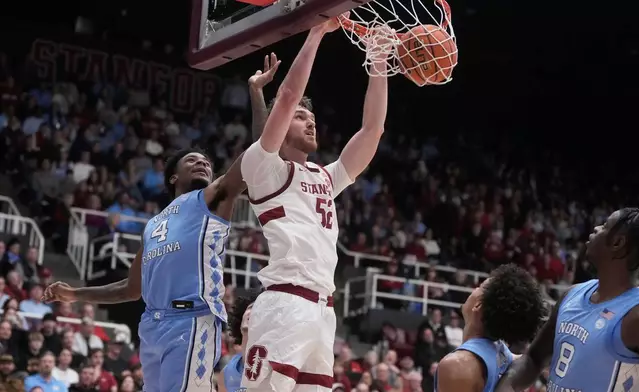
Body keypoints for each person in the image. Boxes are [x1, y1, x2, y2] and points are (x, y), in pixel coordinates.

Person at [42, 56, 281, 392]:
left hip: (192, 320)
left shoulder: (211, 198)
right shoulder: (154, 224)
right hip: (153, 325)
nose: (202, 162)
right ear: (173, 176)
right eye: (192, 160)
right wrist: (75, 294)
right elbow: (130, 289)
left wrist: (256, 92)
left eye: (206, 162)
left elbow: (260, 154)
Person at [239, 18, 391, 392]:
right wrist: (317, 31)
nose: (311, 124)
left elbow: (372, 130)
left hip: (323, 312)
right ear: (280, 122)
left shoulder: (326, 177)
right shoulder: (263, 168)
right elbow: (288, 96)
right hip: (284, 306)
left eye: (313, 119)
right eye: (301, 118)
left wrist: (378, 63)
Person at [495, 208, 639, 392]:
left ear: (618, 242)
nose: (596, 228)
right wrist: (507, 385)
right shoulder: (571, 295)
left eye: (605, 226)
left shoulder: (638, 315)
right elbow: (534, 358)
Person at [434, 264, 545, 392]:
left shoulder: (458, 366)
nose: (474, 289)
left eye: (479, 287)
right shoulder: (502, 352)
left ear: (478, 305)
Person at [217, 289, 261, 392]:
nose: (252, 312)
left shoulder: (274, 367)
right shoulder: (226, 373)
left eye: (258, 309)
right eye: (250, 307)